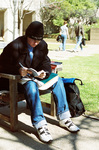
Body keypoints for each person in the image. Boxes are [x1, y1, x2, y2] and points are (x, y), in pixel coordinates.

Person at [0, 21, 79, 143]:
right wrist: (18, 70)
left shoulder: (42, 45)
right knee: (30, 84)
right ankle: (40, 125)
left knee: (57, 79)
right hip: (15, 82)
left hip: (34, 78)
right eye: (33, 40)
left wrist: (45, 73)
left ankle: (64, 118)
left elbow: (46, 62)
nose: (36, 43)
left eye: (39, 40)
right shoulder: (14, 46)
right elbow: (2, 65)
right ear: (27, 36)